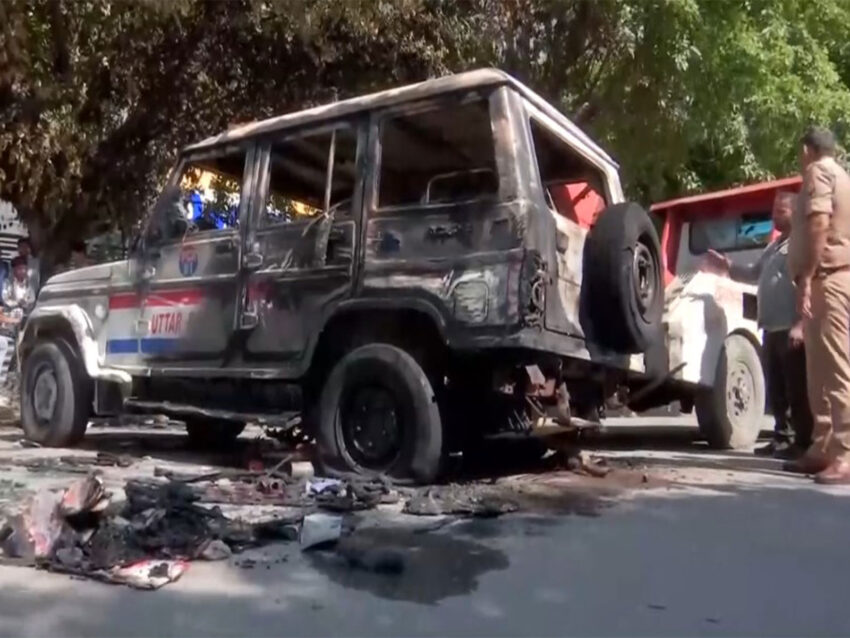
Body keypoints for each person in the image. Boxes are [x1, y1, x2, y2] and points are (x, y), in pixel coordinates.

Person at [703, 191, 812, 458]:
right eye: (773, 210)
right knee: (777, 389)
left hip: (790, 327)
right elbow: (753, 273)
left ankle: (802, 442)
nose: (774, 215)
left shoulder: (801, 245)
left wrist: (800, 324)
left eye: (780, 210)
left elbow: (808, 288)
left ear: (795, 213)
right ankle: (782, 437)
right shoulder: (773, 247)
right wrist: (727, 266)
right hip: (770, 328)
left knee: (796, 388)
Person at [786, 126, 850, 483]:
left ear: (807, 150)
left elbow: (819, 223)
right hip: (831, 278)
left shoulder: (818, 172)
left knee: (836, 370)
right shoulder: (842, 175)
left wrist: (807, 278)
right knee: (820, 371)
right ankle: (822, 447)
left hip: (827, 278)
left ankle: (845, 453)